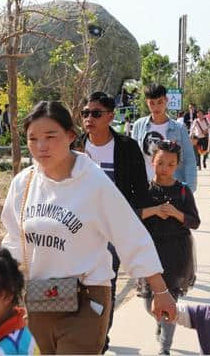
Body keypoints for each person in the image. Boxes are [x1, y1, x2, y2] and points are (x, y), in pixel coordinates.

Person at [1, 101, 177, 354]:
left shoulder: (93, 182)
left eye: (50, 136)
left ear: (71, 136)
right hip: (40, 297)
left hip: (86, 298)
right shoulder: (23, 183)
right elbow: (13, 241)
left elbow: (129, 235)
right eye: (33, 138)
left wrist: (160, 290)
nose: (41, 146)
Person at [78, 91, 152, 352]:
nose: (89, 118)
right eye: (86, 113)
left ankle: (101, 339)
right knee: (76, 285)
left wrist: (128, 224)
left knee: (104, 285)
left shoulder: (127, 148)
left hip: (111, 231)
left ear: (110, 117)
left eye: (96, 114)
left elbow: (140, 192)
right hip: (76, 229)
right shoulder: (75, 145)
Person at [138, 140, 200, 355]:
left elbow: (195, 222)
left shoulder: (182, 191)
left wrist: (176, 213)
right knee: (148, 304)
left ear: (177, 165)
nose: (165, 168)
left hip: (176, 254)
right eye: (160, 162)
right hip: (149, 252)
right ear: (152, 161)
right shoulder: (143, 189)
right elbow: (132, 215)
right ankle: (160, 321)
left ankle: (165, 349)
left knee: (169, 303)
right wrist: (154, 210)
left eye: (170, 164)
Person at [132, 84, 197, 191]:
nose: (156, 107)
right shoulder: (138, 126)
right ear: (147, 103)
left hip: (172, 186)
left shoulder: (179, 129)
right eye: (152, 103)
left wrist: (189, 189)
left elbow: (189, 160)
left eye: (160, 102)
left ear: (166, 100)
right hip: (145, 186)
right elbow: (133, 159)